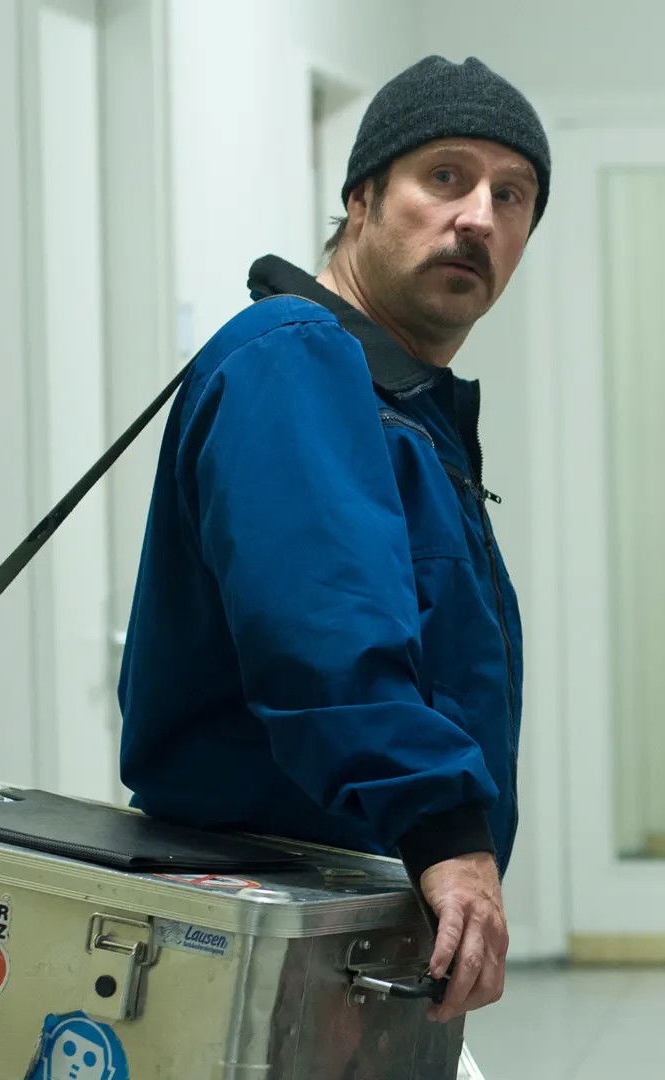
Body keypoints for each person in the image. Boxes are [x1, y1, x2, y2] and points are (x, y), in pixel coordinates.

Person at [117, 54, 549, 1041]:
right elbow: (325, 634)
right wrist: (442, 825)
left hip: (345, 940)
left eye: (512, 194)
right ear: (361, 198)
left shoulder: (403, 409)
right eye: (445, 176)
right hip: (261, 943)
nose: (478, 217)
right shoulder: (298, 354)